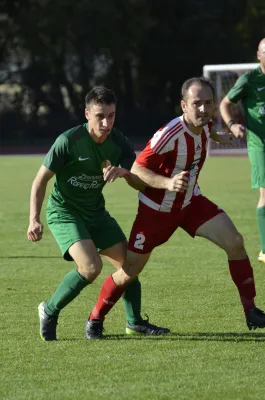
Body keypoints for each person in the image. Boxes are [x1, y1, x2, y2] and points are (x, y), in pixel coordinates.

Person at [85, 77, 265, 339]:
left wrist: (220, 135)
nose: (203, 109)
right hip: (156, 212)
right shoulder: (168, 134)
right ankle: (95, 319)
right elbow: (137, 169)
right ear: (183, 105)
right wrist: (168, 182)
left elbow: (207, 129)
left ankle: (251, 311)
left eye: (208, 103)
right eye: (196, 104)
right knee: (129, 272)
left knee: (235, 242)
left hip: (191, 203)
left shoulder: (205, 122)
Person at [27, 86, 169, 341]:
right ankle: (48, 310)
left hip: (96, 213)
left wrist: (125, 173)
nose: (106, 123)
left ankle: (134, 322)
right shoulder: (68, 141)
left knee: (130, 266)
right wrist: (34, 220)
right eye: (100, 116)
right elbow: (40, 181)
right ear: (86, 114)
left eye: (111, 116)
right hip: (65, 212)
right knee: (91, 267)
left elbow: (139, 182)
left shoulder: (119, 143)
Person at [220, 38, 265, 264]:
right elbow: (224, 104)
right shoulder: (249, 79)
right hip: (260, 145)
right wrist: (231, 125)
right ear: (258, 55)